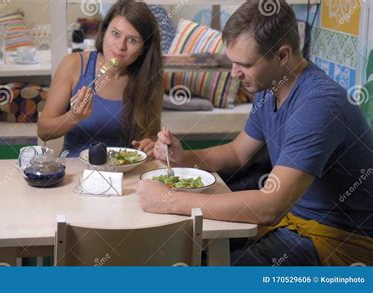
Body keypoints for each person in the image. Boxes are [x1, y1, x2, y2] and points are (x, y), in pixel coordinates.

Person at [137, 0, 373, 266]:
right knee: (185, 252)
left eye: (244, 64)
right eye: (233, 62)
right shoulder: (269, 89)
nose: (235, 73)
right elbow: (238, 153)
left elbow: (270, 206)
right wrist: (184, 157)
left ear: (282, 55)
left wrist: (168, 201)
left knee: (213, 270)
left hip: (337, 242)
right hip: (294, 222)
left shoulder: (318, 104)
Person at [38, 0, 163, 157]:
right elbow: (43, 131)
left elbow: (151, 135)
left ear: (144, 48)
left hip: (125, 172)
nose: (120, 46)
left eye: (132, 40)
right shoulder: (74, 65)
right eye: (115, 34)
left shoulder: (148, 78)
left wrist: (151, 145)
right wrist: (73, 117)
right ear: (104, 32)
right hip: (75, 171)